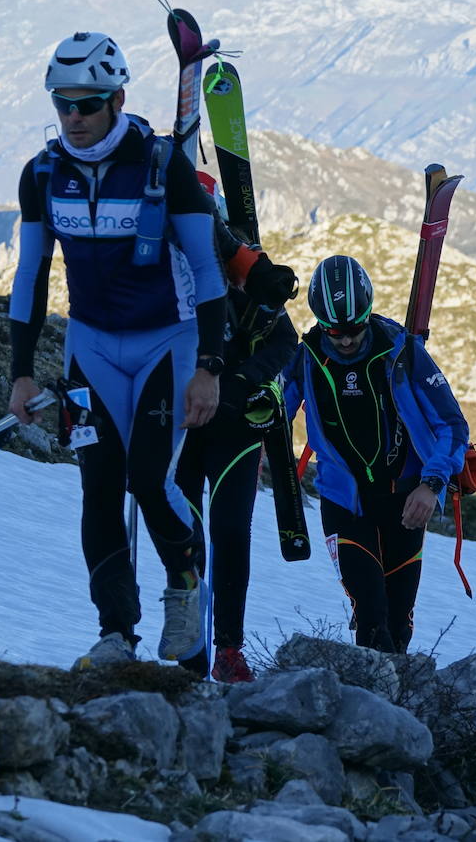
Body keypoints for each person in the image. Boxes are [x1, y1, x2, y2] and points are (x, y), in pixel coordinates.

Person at [6, 31, 227, 669]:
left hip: (168, 342)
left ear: (117, 97)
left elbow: (208, 272)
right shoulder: (43, 174)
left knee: (150, 481)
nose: (73, 117)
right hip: (91, 348)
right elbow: (29, 278)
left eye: (86, 103)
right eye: (61, 103)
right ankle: (115, 632)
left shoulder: (161, 164)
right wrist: (20, 373)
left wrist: (209, 368)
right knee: (99, 487)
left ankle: (185, 588)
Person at [283, 255, 469, 653]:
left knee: (398, 627)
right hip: (343, 504)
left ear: (368, 312)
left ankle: (390, 711)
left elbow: (452, 426)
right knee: (371, 618)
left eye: (354, 328)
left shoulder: (402, 352)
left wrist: (431, 484)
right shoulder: (305, 358)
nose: (346, 339)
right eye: (334, 331)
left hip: (405, 501)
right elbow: (271, 413)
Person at [174, 199, 298, 683]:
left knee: (228, 533)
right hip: (180, 427)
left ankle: (228, 648)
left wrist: (241, 381)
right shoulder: (166, 281)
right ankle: (190, 649)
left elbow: (286, 342)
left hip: (236, 429)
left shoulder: (248, 288)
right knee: (184, 535)